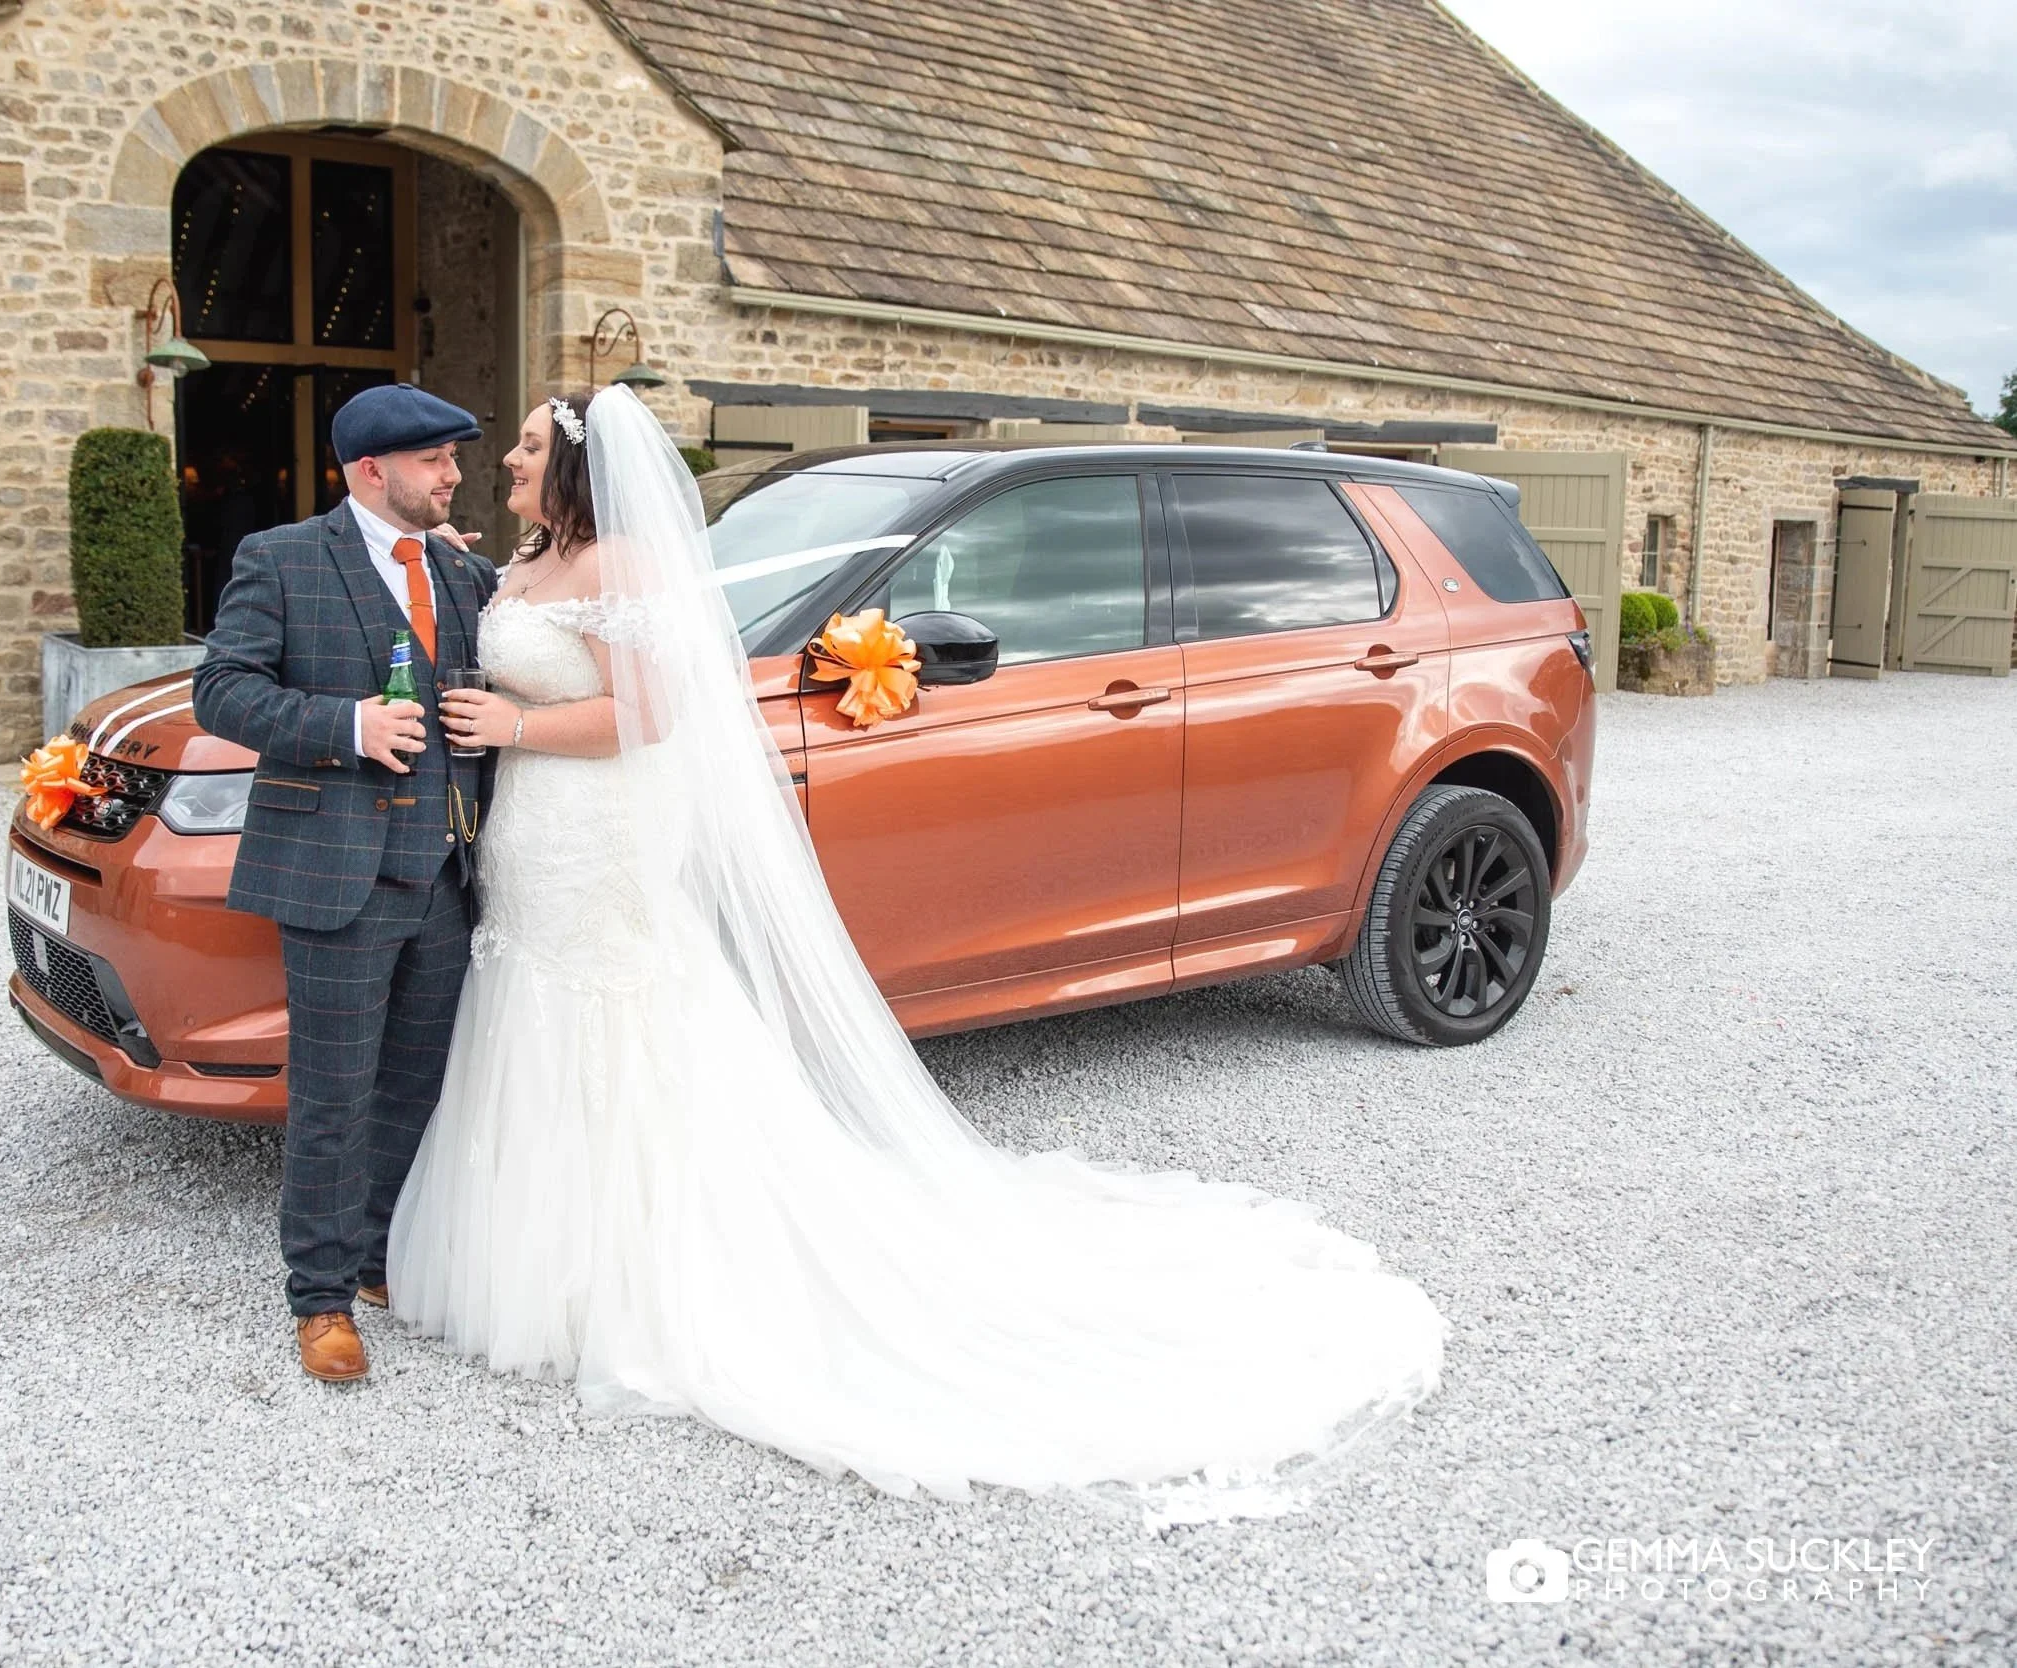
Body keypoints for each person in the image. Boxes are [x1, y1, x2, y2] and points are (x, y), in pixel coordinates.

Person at [396, 386, 1450, 1519]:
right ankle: (560, 1264)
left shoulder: (632, 568)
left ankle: (653, 1274)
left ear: (578, 471)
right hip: (534, 836)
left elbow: (655, 715)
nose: (504, 456)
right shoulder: (528, 560)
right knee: (543, 1015)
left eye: (527, 446)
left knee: (626, 1021)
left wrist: (514, 726)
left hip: (598, 828)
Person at [193, 383, 499, 1384]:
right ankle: (317, 1296)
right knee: (332, 1093)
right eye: (435, 461)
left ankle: (374, 1258)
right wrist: (346, 726)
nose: (454, 474)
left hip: (447, 873)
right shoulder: (279, 559)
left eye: (455, 457)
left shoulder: (458, 570)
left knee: (416, 1082)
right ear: (373, 470)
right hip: (337, 873)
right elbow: (223, 690)